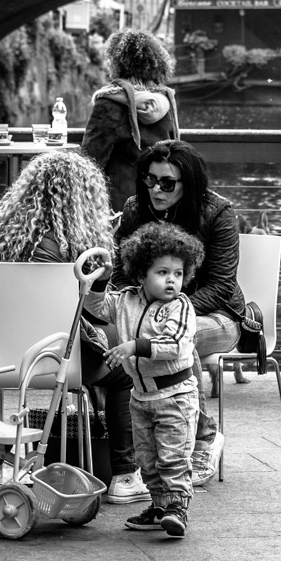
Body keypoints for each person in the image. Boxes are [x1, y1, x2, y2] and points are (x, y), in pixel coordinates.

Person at [0, 151, 150, 506]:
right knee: (124, 369)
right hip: (55, 362)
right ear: (84, 200)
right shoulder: (81, 250)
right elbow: (95, 313)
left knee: (110, 344)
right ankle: (124, 474)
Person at [115, 139, 243, 487]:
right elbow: (118, 273)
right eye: (149, 179)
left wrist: (170, 313)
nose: (156, 189)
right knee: (115, 338)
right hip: (147, 317)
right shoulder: (134, 210)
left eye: (167, 183)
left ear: (189, 183)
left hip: (218, 316)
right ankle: (130, 453)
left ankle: (203, 440)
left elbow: (221, 287)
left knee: (180, 338)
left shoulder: (218, 212)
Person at [85, 221, 203, 537]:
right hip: (141, 396)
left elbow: (176, 346)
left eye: (177, 274)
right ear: (141, 274)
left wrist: (134, 346)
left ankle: (178, 508)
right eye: (162, 272)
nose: (171, 281)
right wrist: (102, 280)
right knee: (148, 459)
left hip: (175, 395)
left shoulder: (181, 307)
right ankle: (159, 506)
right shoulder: (126, 300)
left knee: (173, 457)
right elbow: (95, 307)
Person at [82, 29, 179, 211]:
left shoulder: (109, 103)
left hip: (119, 204)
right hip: (160, 198)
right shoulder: (165, 100)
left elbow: (89, 161)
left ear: (116, 63)